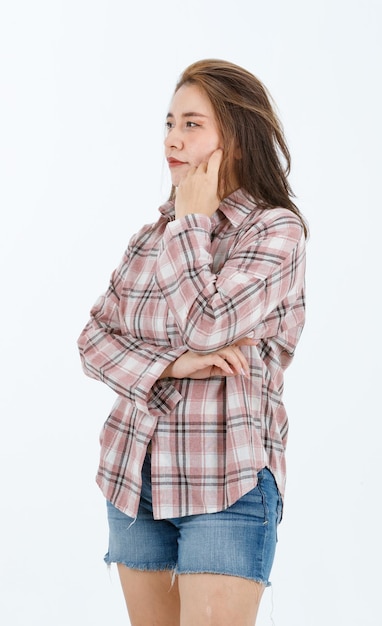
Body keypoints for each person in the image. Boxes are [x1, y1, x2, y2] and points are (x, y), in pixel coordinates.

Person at [77, 58, 307, 626]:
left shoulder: (275, 231)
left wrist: (190, 224)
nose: (173, 141)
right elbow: (91, 341)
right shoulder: (146, 238)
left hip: (225, 484)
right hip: (134, 478)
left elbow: (210, 323)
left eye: (192, 125)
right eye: (169, 123)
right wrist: (173, 365)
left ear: (236, 136)